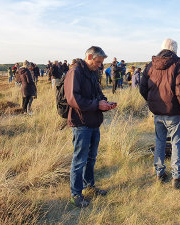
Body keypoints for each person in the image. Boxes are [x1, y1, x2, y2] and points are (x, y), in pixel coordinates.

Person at [64, 46, 117, 208]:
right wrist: (97, 104)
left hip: (94, 121)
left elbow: (98, 93)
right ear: (89, 56)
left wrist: (104, 101)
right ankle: (76, 194)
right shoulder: (75, 72)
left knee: (91, 158)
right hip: (81, 123)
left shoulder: (93, 73)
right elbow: (73, 99)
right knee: (79, 160)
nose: (100, 65)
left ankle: (89, 186)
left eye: (102, 63)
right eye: (98, 62)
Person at [139, 38, 180, 189]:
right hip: (174, 112)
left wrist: (152, 101)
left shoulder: (151, 65)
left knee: (160, 141)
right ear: (175, 50)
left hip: (158, 111)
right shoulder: (178, 64)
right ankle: (177, 178)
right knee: (176, 143)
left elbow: (142, 88)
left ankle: (159, 173)